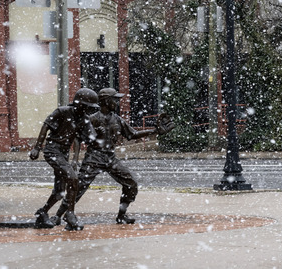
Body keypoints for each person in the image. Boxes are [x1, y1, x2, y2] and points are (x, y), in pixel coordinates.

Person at [57, 88, 174, 225]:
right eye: (115, 100)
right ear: (106, 101)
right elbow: (77, 138)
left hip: (110, 158)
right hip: (94, 158)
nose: (117, 103)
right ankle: (59, 215)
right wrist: (75, 159)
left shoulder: (117, 119)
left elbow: (132, 134)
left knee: (131, 184)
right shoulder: (92, 119)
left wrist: (155, 131)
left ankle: (121, 215)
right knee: (78, 188)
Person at [29, 88, 99, 231]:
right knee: (73, 179)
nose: (88, 110)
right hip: (52, 150)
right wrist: (37, 147)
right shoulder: (62, 111)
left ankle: (42, 213)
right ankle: (70, 215)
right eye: (86, 106)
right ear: (79, 103)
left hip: (64, 154)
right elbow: (46, 126)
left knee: (59, 192)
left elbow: (82, 139)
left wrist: (75, 159)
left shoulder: (84, 119)